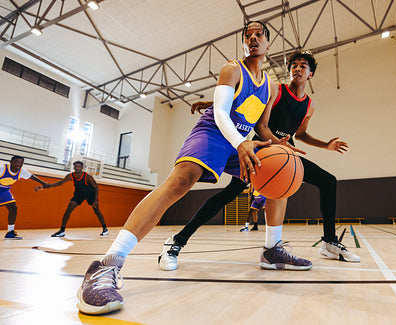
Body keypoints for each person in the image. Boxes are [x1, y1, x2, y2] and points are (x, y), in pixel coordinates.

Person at [76, 21, 309, 315]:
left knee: (278, 173)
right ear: (243, 43)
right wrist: (240, 143)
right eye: (247, 35)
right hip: (213, 132)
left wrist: (279, 143)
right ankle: (105, 266)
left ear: (267, 44)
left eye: (259, 35)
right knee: (181, 182)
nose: (253, 38)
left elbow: (261, 127)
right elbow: (222, 113)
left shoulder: (271, 87)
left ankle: (272, 248)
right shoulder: (232, 69)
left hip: (240, 142)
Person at [159, 50, 359, 273]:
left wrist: (326, 145)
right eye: (294, 65)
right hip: (263, 148)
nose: (297, 69)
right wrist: (215, 103)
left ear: (310, 74)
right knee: (229, 194)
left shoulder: (309, 105)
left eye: (303, 66)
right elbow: (252, 111)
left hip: (285, 153)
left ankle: (328, 242)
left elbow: (300, 134)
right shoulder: (275, 89)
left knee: (328, 181)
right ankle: (178, 239)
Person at [36, 161, 108, 237]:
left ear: (82, 168)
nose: (77, 168)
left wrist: (96, 199)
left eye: (79, 166)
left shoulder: (88, 176)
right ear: (73, 167)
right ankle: (62, 231)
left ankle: (105, 228)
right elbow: (60, 183)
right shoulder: (70, 176)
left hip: (90, 194)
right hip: (79, 194)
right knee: (69, 209)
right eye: (76, 166)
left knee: (96, 210)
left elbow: (96, 187)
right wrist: (49, 186)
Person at [1, 155, 48, 239]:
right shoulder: (2, 168)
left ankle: (10, 232)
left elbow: (31, 177)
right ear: (11, 162)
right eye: (17, 162)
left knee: (13, 207)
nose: (19, 164)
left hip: (4, 190)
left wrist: (43, 183)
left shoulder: (21, 171)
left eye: (21, 163)